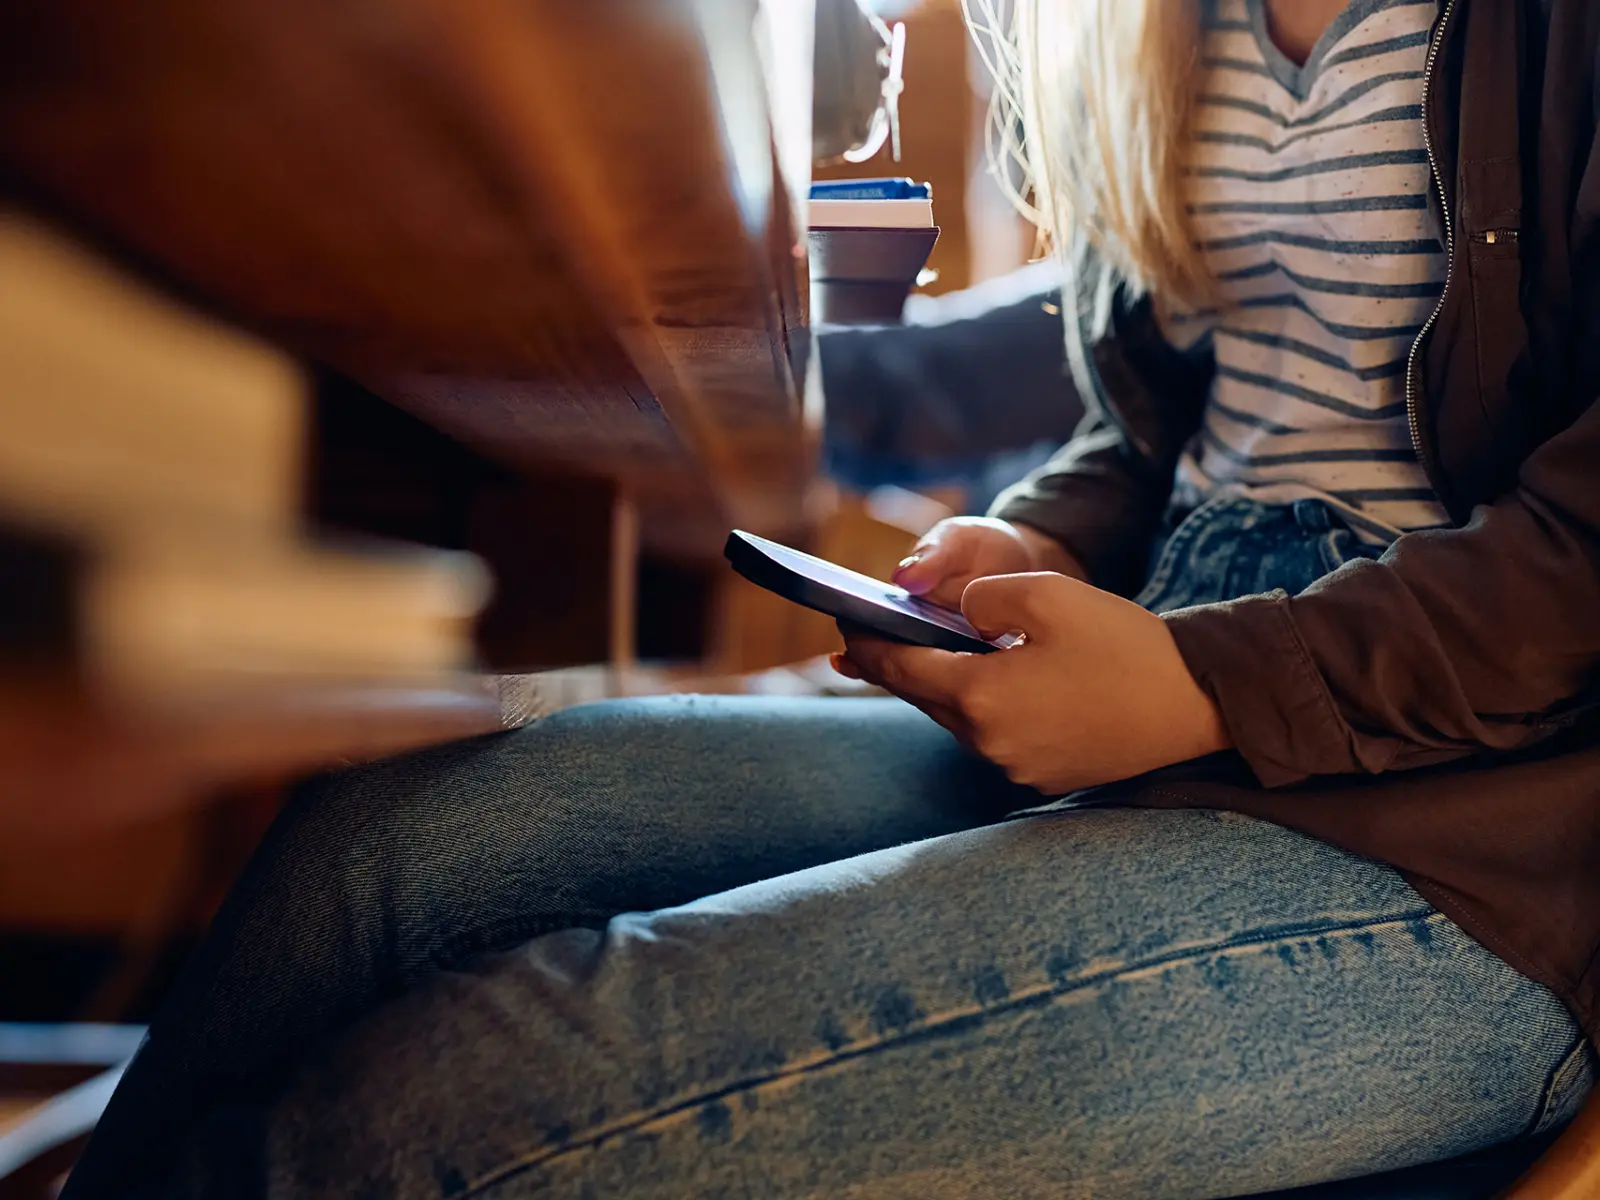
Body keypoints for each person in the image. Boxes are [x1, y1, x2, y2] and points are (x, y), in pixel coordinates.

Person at [64, 0, 1600, 1195]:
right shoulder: (1159, 32)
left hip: (1460, 841)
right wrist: (1044, 545)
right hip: (1177, 669)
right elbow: (1158, 418)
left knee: (442, 1111)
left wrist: (1205, 686)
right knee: (384, 849)